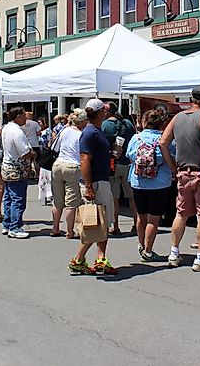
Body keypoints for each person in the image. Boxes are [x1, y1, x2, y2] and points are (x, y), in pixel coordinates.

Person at [160, 86, 200, 273]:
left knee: (181, 213)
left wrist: (172, 167)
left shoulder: (178, 117)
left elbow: (163, 142)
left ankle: (174, 252)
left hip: (182, 172)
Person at [69, 98, 117, 275]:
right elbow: (84, 159)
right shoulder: (91, 133)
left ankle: (99, 258)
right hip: (95, 183)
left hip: (100, 180)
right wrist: (88, 185)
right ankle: (79, 259)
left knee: (101, 223)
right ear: (101, 113)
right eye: (104, 110)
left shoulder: (96, 131)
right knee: (95, 222)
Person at [127, 108, 174, 261]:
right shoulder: (164, 139)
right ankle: (148, 250)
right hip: (159, 183)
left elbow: (130, 155)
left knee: (141, 216)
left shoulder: (136, 138)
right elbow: (171, 157)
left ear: (144, 122)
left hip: (138, 182)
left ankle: (140, 244)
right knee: (153, 219)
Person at [50, 110, 87, 238]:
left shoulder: (65, 130)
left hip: (58, 163)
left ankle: (55, 228)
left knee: (57, 200)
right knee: (71, 201)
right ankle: (69, 231)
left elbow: (54, 147)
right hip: (73, 165)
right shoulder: (81, 135)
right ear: (82, 121)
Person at [102, 103, 137, 235]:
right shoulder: (127, 123)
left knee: (114, 198)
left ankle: (115, 226)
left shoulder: (105, 125)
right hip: (127, 163)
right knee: (132, 197)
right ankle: (136, 223)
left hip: (112, 164)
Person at [0, 106, 35, 239]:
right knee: (18, 198)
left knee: (8, 197)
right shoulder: (17, 132)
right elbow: (24, 153)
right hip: (17, 168)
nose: (26, 118)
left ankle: (7, 224)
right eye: (24, 115)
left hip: (7, 165)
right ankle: (15, 226)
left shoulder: (6, 128)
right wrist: (33, 153)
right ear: (18, 116)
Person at [21, 111, 42, 176]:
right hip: (35, 144)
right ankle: (37, 175)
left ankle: (29, 174)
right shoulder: (35, 123)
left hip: (26, 144)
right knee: (37, 161)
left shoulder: (22, 124)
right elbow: (39, 133)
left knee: (28, 161)